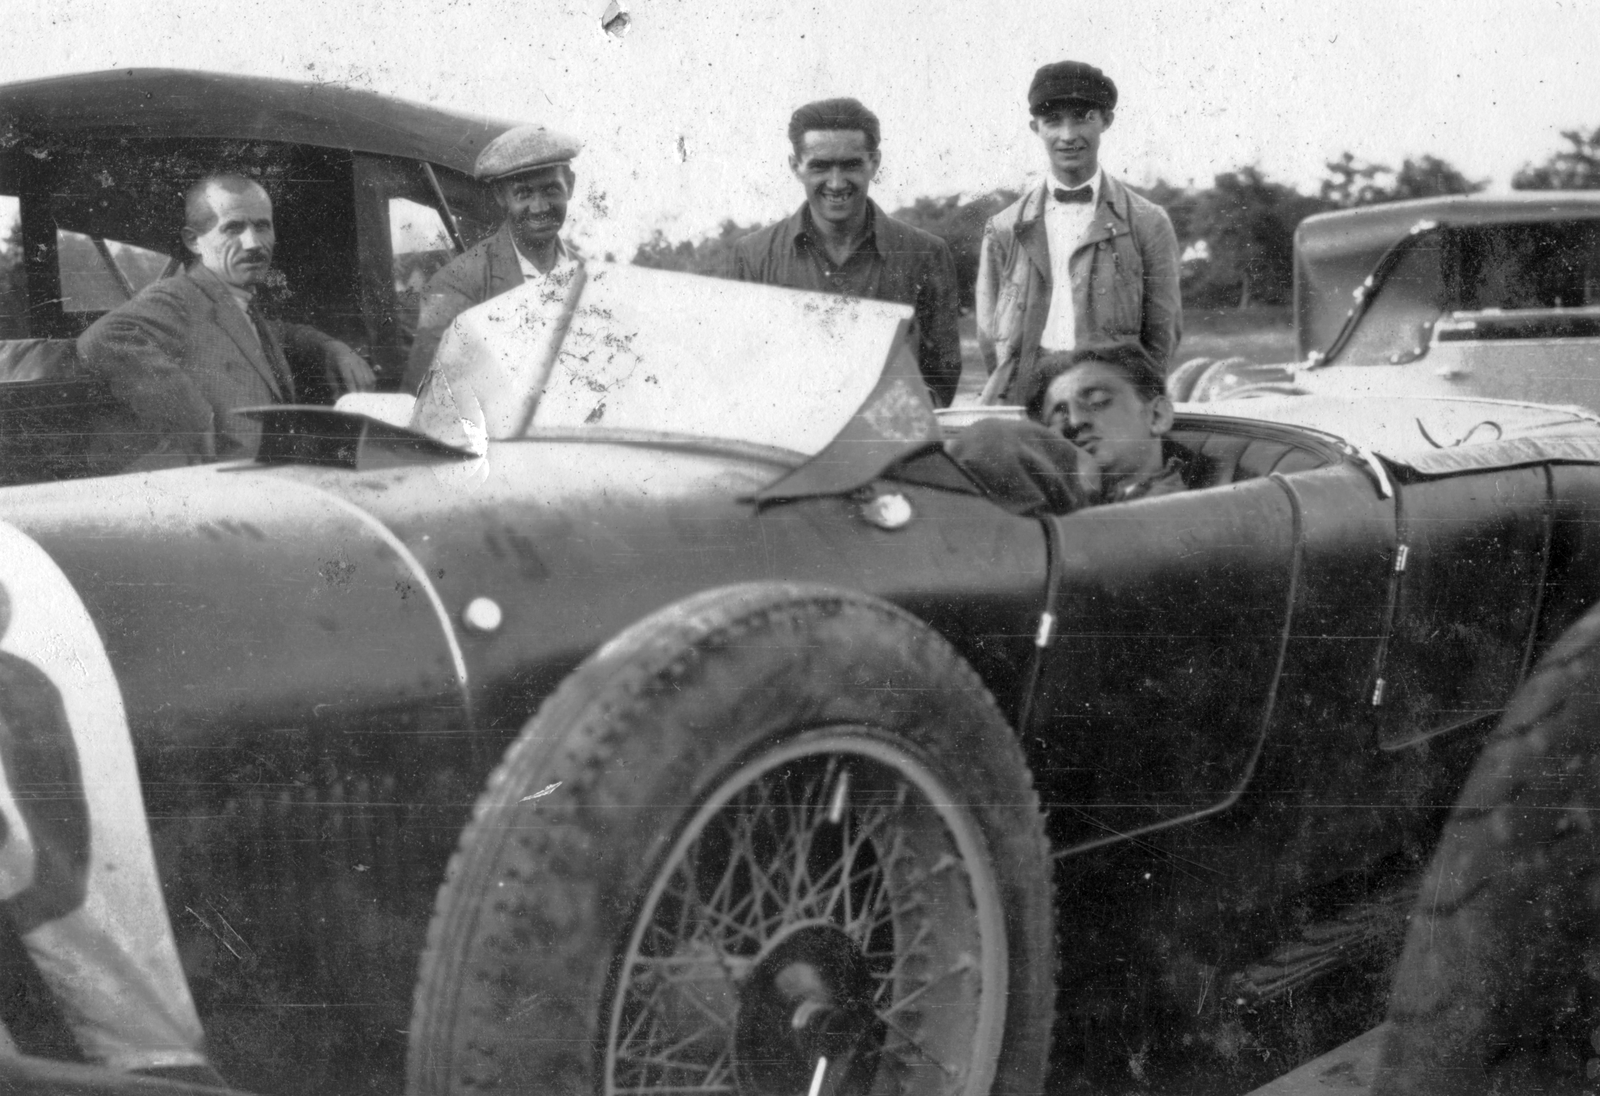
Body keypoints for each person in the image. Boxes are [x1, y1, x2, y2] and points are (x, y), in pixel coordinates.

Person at [77, 173, 375, 469]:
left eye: (262, 226)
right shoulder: (180, 296)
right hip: (216, 484)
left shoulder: (237, 303)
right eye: (233, 228)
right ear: (194, 241)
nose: (253, 243)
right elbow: (102, 338)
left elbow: (280, 332)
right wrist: (191, 415)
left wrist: (331, 347)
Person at [729, 98, 963, 408]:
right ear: (795, 166)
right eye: (820, 166)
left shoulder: (926, 253)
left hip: (890, 445)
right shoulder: (753, 256)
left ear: (874, 163)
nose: (836, 183)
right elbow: (740, 373)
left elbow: (941, 376)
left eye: (851, 164)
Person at [975, 62, 1182, 406]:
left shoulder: (1149, 221)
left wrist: (1129, 405)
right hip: (1028, 398)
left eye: (1083, 116)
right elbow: (988, 333)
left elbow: (1163, 332)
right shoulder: (1004, 227)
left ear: (1106, 121)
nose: (1068, 135)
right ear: (1035, 128)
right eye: (1053, 120)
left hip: (1108, 398)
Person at [401, 124, 584, 392]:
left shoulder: (590, 277)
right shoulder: (454, 284)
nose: (540, 207)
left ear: (570, 186)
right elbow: (423, 397)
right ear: (501, 196)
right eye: (523, 193)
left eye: (551, 190)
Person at [950, 341, 1208, 515]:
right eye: (1058, 417)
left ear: (1158, 416)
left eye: (1097, 401)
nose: (1074, 422)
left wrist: (1083, 494)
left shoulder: (1179, 511)